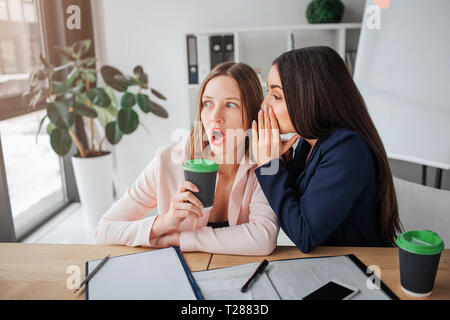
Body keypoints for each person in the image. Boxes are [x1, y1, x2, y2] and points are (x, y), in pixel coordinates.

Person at [95, 62, 279, 255]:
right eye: (208, 103)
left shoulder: (263, 164)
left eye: (231, 104)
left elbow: (263, 238)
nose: (215, 117)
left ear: (251, 113)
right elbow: (104, 230)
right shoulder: (167, 161)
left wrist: (181, 239)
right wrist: (167, 221)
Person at [251, 46, 402, 253]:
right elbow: (292, 205)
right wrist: (279, 162)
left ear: (309, 97)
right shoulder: (308, 142)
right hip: (329, 265)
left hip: (360, 268)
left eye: (276, 96)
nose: (264, 105)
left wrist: (268, 166)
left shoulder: (347, 150)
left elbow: (304, 235)